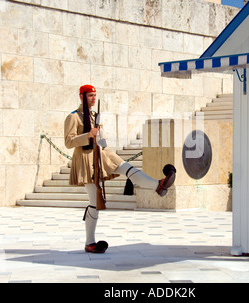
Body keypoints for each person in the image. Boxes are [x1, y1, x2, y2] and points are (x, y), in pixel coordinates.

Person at [64, 84, 176, 253]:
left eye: (95, 95)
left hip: (101, 153)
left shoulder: (94, 116)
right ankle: (89, 242)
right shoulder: (73, 117)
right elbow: (68, 142)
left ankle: (158, 185)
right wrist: (88, 135)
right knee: (94, 202)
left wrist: (99, 135)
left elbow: (102, 140)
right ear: (81, 96)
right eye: (90, 96)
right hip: (86, 160)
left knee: (126, 167)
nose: (93, 98)